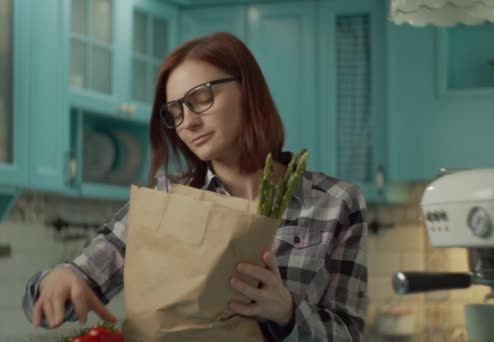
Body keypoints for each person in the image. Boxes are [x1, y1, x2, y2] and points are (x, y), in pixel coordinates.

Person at [23, 32, 368, 341]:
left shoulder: (336, 202)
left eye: (201, 98)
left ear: (248, 91)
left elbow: (350, 334)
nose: (187, 122)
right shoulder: (166, 202)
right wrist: (58, 279)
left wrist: (287, 312)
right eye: (174, 111)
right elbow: (71, 288)